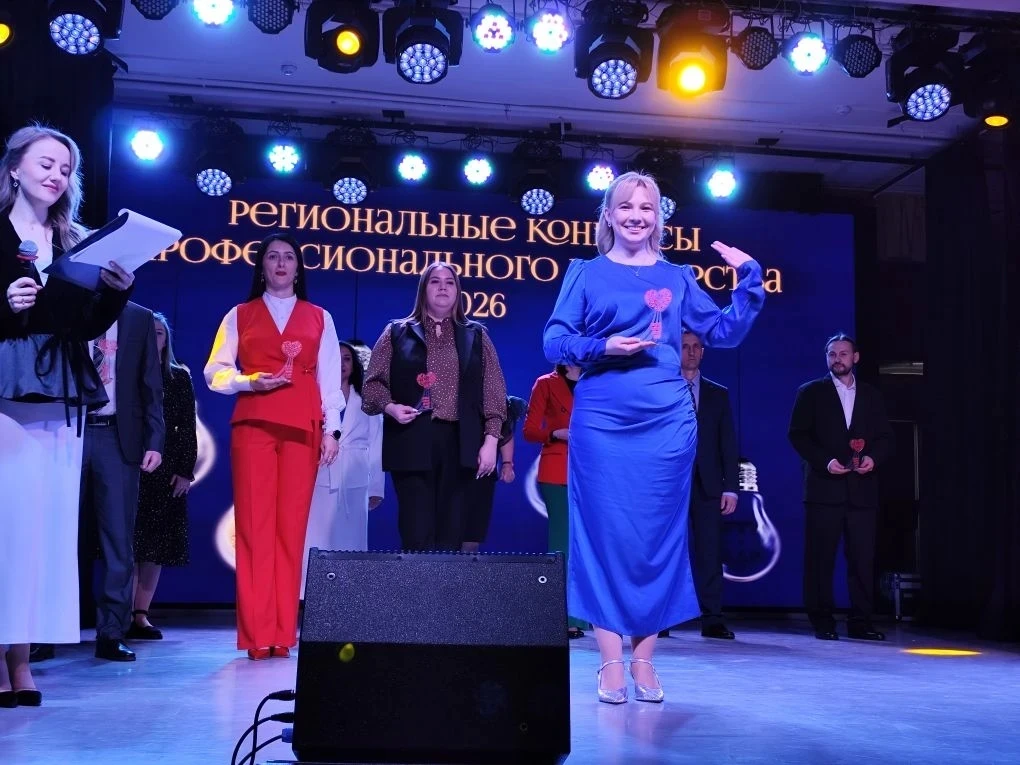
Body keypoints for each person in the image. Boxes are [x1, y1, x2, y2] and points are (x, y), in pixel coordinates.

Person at [543, 171, 764, 704]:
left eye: (646, 207)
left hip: (666, 423)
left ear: (658, 218)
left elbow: (724, 331)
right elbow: (554, 341)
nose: (636, 216)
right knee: (602, 536)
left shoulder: (678, 276)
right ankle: (609, 660)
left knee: (656, 539)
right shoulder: (585, 273)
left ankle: (644, 660)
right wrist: (603, 347)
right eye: (625, 206)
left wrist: (749, 276)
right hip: (603, 420)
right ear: (609, 215)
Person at [0, 124, 134, 706]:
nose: (56, 176)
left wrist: (115, 292)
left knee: (44, 529)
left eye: (65, 169)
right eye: (46, 164)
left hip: (61, 388)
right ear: (14, 168)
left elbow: (84, 326)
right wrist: (4, 303)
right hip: (7, 385)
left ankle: (20, 658)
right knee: (6, 524)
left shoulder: (73, 239)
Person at [205, 232, 343, 660]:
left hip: (303, 427)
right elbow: (215, 372)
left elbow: (330, 381)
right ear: (262, 267)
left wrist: (332, 431)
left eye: (288, 257)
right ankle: (256, 635)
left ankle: (283, 633)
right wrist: (250, 381)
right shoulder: (240, 315)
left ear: (298, 268)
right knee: (254, 529)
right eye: (272, 257)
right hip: (254, 425)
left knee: (291, 531)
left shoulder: (319, 317)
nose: (281, 263)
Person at [362, 261, 507, 551]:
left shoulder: (476, 335)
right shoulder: (397, 332)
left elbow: (494, 391)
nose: (443, 287)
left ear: (458, 291)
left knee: (452, 533)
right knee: (416, 530)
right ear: (423, 289)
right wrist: (390, 407)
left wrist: (491, 441)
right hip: (412, 439)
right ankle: (415, 583)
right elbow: (371, 386)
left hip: (460, 443)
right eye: (435, 281)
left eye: (450, 282)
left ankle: (447, 584)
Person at [788, 333, 893, 642]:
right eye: (832, 354)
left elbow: (886, 437)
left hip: (862, 492)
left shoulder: (872, 395)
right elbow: (798, 435)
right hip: (824, 490)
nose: (838, 359)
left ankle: (861, 621)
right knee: (820, 559)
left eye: (843, 353)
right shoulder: (810, 392)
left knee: (862, 560)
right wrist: (826, 461)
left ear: (855, 358)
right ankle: (822, 620)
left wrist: (873, 458)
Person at [79, 299, 165, 661]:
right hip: (68, 431)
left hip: (117, 436)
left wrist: (155, 440)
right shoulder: (71, 306)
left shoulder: (139, 318)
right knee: (57, 534)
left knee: (118, 540)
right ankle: (43, 632)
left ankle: (111, 632)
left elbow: (151, 384)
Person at [129, 312, 197, 641]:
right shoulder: (126, 374)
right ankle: (119, 614)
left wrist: (185, 471)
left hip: (166, 469)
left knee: (155, 546)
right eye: (149, 332)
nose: (154, 337)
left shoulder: (178, 377)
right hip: (130, 464)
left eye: (159, 333)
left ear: (166, 339)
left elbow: (187, 426)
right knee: (128, 542)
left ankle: (140, 615)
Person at [302, 340, 384, 592]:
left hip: (355, 476)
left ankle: (352, 594)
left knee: (352, 538)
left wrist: (376, 487)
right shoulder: (315, 396)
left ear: (354, 364)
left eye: (347, 359)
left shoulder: (367, 399)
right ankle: (311, 594)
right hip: (320, 473)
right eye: (337, 358)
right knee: (317, 535)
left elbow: (376, 441)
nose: (342, 364)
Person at [679, 329, 739, 640]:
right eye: (684, 346)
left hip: (709, 484)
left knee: (710, 553)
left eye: (696, 346)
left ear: (703, 352)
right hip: (670, 485)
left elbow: (728, 443)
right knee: (668, 554)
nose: (691, 351)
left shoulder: (718, 393)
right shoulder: (661, 390)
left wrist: (731, 487)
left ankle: (713, 618)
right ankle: (661, 620)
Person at [523, 364, 589, 638]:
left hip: (591, 473)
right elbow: (529, 431)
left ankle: (584, 615)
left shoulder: (595, 380)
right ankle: (563, 616)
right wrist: (554, 434)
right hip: (557, 470)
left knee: (585, 546)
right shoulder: (546, 383)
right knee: (562, 543)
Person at [461, 395, 527, 552]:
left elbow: (505, 434)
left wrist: (507, 464)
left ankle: (467, 564)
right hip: (454, 468)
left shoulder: (495, 401)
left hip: (482, 474)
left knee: (473, 531)